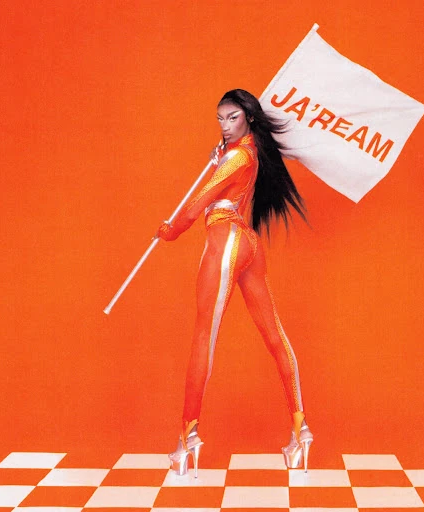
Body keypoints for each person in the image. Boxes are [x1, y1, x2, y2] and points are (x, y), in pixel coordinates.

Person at [157, 89, 313, 477]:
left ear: (248, 118)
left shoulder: (238, 156)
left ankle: (187, 437)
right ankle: (300, 429)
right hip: (248, 244)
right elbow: (226, 182)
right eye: (220, 118)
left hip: (226, 239)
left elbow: (198, 204)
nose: (225, 125)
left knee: (203, 338)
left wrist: (171, 230)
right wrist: (219, 158)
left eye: (233, 118)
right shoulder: (247, 152)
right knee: (273, 335)